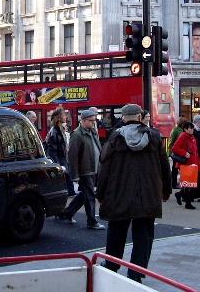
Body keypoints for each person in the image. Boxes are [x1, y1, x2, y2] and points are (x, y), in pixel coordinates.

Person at [97, 103, 171, 283]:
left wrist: (101, 193)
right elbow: (165, 166)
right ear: (139, 117)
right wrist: (166, 190)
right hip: (147, 193)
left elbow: (104, 167)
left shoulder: (115, 137)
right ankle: (136, 272)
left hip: (119, 193)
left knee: (116, 232)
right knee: (144, 235)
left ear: (123, 118)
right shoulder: (154, 137)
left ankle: (112, 265)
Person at [57, 109, 105, 230]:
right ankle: (92, 221)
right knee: (90, 196)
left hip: (93, 168)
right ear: (83, 120)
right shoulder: (77, 134)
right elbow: (72, 157)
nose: (94, 123)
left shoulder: (92, 132)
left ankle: (67, 213)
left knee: (85, 194)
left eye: (94, 120)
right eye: (91, 121)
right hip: (85, 170)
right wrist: (75, 175)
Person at [45, 107, 75, 196]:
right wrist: (59, 166)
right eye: (64, 115)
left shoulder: (60, 129)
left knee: (67, 181)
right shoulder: (55, 131)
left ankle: (70, 193)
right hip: (61, 162)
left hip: (64, 160)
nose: (65, 117)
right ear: (58, 117)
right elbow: (52, 152)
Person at [171, 121, 200, 209]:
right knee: (188, 184)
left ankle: (180, 194)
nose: (192, 130)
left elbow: (196, 153)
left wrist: (199, 164)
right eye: (190, 128)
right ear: (185, 129)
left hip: (192, 163)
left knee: (188, 184)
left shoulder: (192, 137)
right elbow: (175, 148)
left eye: (192, 128)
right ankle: (187, 203)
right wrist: (184, 153)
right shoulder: (183, 136)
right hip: (186, 164)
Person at [168, 117, 185, 188]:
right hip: (176, 153)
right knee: (175, 168)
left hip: (181, 152)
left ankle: (180, 183)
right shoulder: (176, 130)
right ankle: (174, 184)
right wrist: (171, 152)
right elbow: (171, 141)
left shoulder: (182, 130)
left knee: (179, 168)